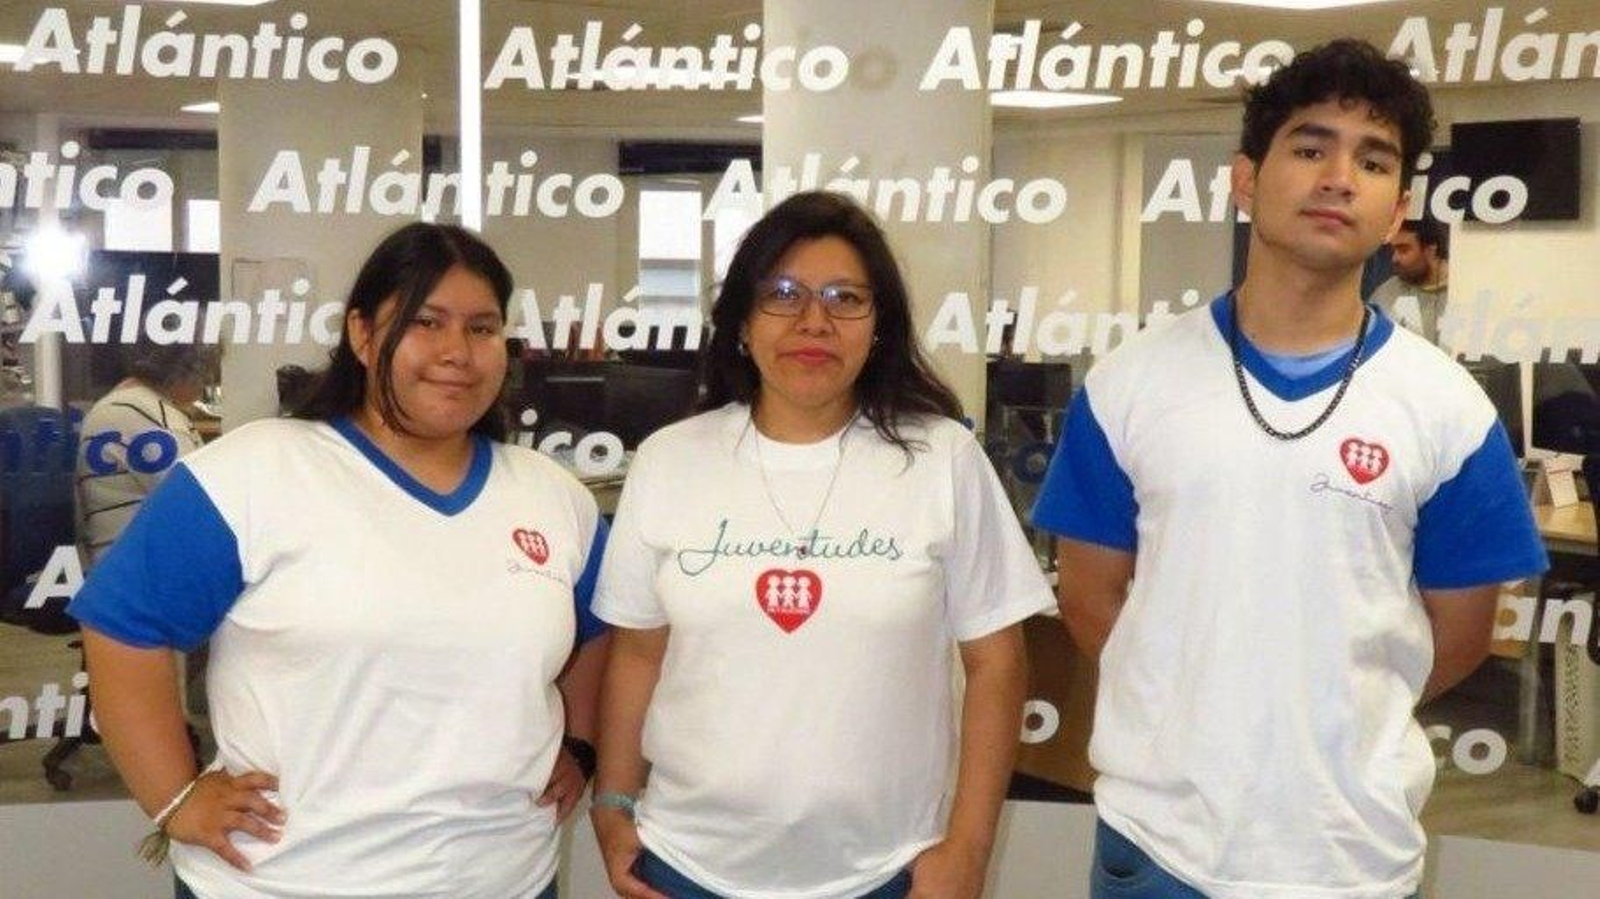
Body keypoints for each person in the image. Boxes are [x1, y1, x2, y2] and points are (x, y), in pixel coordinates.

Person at [1033, 40, 1547, 899]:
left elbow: (1454, 640)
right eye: (1311, 148)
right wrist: (1192, 701)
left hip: (1350, 853)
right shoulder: (1132, 383)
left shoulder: (1447, 409)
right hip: (1162, 846)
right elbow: (1090, 598)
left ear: (1398, 210)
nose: (1339, 177)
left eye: (1372, 159)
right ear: (1245, 181)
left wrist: (1330, 713)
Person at [69, 222, 608, 899]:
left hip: (505, 878)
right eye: (426, 322)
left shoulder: (551, 496)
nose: (457, 352)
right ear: (362, 334)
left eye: (482, 327)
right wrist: (176, 798)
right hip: (287, 880)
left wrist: (581, 746)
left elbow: (597, 632)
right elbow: (123, 627)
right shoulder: (255, 471)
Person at [589, 191, 1053, 899]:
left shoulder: (942, 457)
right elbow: (637, 652)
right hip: (688, 866)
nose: (815, 321)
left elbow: (997, 664)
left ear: (879, 327)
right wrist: (613, 806)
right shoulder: (671, 459)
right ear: (742, 320)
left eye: (846, 298)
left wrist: (968, 847)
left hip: (887, 869)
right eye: (783, 294)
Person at [76, 341, 209, 563]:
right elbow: (199, 506)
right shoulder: (150, 417)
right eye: (207, 374)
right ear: (187, 370)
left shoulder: (119, 404)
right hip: (141, 570)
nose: (206, 385)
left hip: (117, 562)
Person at [1369, 217, 1448, 344]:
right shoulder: (1387, 292)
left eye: (1403, 249)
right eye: (1393, 250)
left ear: (1430, 250)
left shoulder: (1462, 288)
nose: (1394, 258)